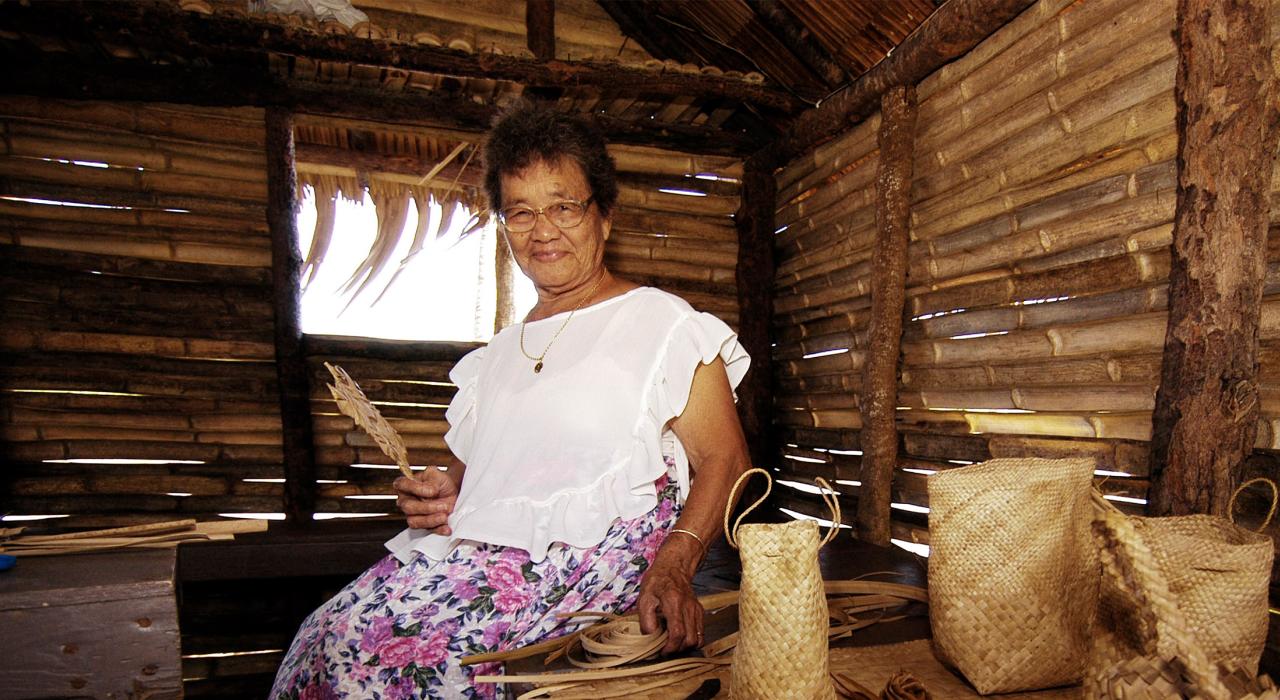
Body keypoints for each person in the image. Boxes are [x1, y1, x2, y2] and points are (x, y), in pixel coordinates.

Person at [271, 104, 752, 699]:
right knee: (320, 634)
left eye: (563, 207)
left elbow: (727, 461)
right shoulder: (497, 355)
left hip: (572, 569)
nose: (542, 230)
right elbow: (478, 475)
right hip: (474, 555)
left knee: (375, 661)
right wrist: (440, 492)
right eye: (520, 212)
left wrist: (676, 563)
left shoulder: (663, 323)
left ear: (604, 218)